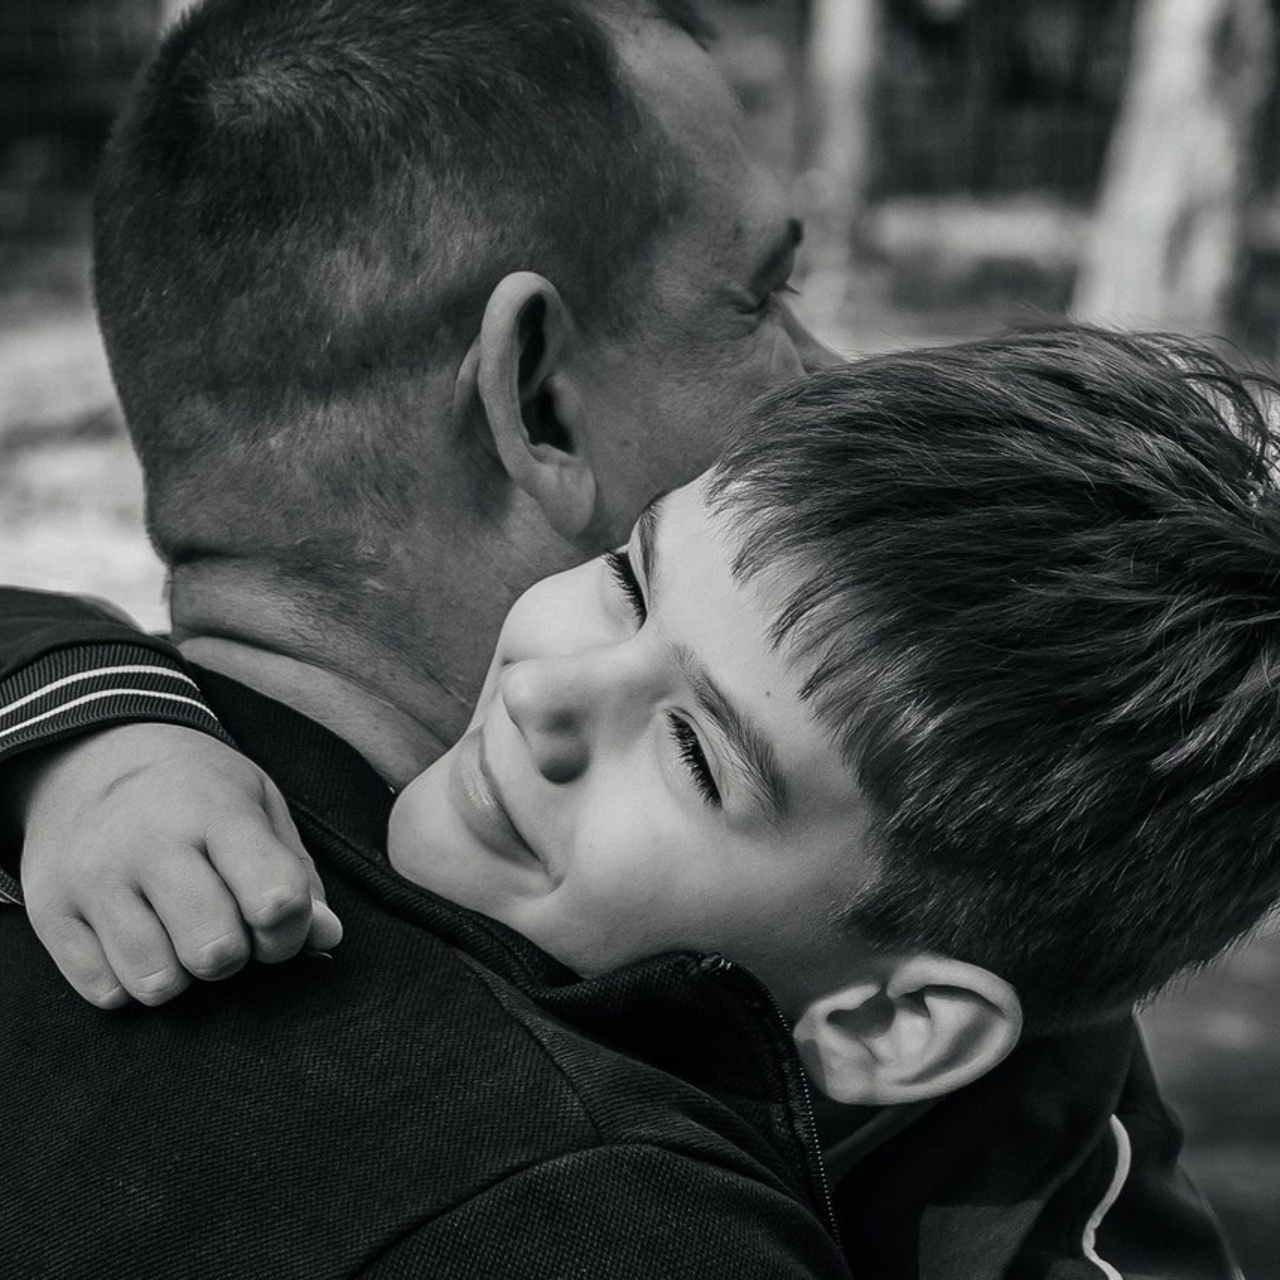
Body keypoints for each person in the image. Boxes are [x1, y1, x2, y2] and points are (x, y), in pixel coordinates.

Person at [0, 0, 1245, 1273]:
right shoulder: (587, 1205)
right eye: (769, 298)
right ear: (535, 400)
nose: (834, 384)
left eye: (701, 752)